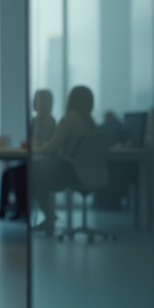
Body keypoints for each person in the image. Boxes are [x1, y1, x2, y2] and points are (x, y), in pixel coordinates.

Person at [31, 86, 97, 235]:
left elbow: (51, 147)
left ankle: (49, 217)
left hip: (70, 170)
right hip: (87, 171)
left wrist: (38, 146)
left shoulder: (69, 120)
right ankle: (49, 218)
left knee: (35, 173)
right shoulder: (91, 123)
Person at [0, 89, 55, 219]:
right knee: (8, 171)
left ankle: (23, 209)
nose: (34, 102)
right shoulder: (35, 120)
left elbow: (50, 144)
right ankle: (4, 208)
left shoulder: (50, 121)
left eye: (37, 100)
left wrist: (34, 143)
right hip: (33, 159)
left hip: (42, 162)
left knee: (17, 172)